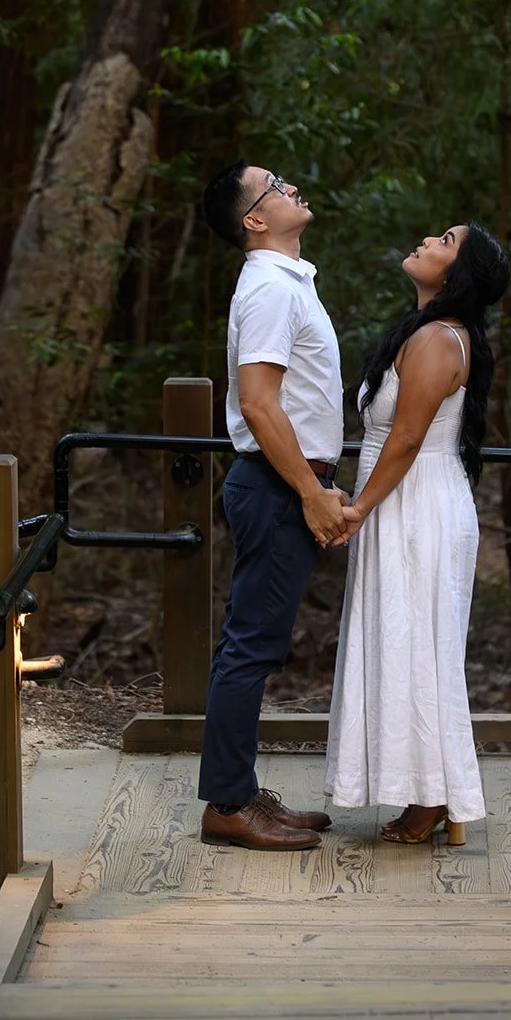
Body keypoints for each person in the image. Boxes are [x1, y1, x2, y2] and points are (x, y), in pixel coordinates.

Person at [323, 220, 511, 843]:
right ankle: (418, 788)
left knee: (418, 643)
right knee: (400, 639)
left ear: (457, 274)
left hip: (414, 502)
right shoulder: (423, 331)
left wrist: (357, 509)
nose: (428, 241)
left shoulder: (437, 339)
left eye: (446, 241)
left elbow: (405, 439)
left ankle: (433, 796)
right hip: (403, 498)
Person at [198, 162, 346, 851]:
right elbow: (259, 403)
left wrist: (318, 478)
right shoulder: (267, 289)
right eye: (275, 186)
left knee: (254, 643)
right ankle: (227, 804)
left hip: (287, 480)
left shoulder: (286, 283)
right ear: (254, 220)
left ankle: (242, 789)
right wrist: (310, 492)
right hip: (275, 484)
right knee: (249, 647)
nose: (291, 187)